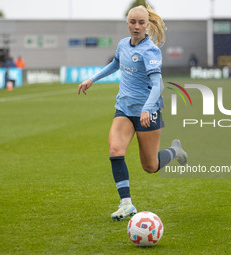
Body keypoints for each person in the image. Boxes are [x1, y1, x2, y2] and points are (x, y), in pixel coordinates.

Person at [78, 4, 187, 221]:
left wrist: (147, 108)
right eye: (132, 22)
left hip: (148, 112)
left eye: (141, 23)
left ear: (147, 25)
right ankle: (126, 204)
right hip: (124, 109)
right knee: (115, 149)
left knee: (150, 166)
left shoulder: (151, 50)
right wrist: (92, 79)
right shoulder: (122, 45)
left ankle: (175, 150)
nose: (136, 26)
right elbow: (114, 64)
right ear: (127, 23)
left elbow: (159, 86)